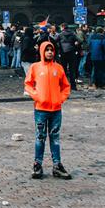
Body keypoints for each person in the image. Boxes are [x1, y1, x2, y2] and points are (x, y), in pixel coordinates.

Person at [24, 42, 72, 180]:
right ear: (42, 52)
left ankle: (57, 165)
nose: (50, 52)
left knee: (55, 138)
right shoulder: (35, 67)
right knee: (40, 137)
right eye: (47, 50)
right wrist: (37, 96)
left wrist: (60, 98)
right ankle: (37, 164)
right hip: (41, 109)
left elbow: (66, 86)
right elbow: (28, 84)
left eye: (51, 50)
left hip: (56, 109)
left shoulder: (59, 68)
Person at [57, 23, 80, 91]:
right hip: (71, 53)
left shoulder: (60, 34)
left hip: (63, 53)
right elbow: (79, 40)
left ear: (63, 27)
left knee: (63, 70)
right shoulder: (73, 34)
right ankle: (73, 86)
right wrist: (75, 45)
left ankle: (63, 86)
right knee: (72, 70)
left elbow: (55, 41)